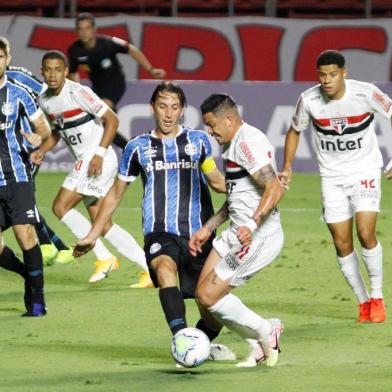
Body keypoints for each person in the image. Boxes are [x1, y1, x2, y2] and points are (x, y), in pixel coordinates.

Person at [73, 82, 236, 361]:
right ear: (153, 108)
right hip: (159, 232)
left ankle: (200, 344)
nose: (169, 114)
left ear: (182, 110)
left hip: (200, 235)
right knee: (164, 268)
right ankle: (182, 339)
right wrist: (92, 234)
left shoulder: (198, 141)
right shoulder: (138, 148)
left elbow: (217, 182)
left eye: (174, 107)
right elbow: (114, 195)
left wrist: (251, 185)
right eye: (163, 106)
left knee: (212, 312)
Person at [280, 49, 389, 323]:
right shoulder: (309, 100)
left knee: (365, 232)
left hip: (365, 171)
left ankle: (377, 297)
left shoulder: (365, 94)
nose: (327, 80)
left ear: (344, 73)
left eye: (332, 75)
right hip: (331, 178)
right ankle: (363, 301)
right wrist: (288, 166)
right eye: (322, 75)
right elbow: (294, 131)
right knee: (341, 243)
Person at [34, 50, 152, 287]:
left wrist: (98, 154)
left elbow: (112, 120)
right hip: (87, 160)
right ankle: (149, 269)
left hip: (97, 158)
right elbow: (58, 131)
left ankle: (104, 257)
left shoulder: (79, 92)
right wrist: (41, 151)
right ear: (42, 72)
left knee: (60, 205)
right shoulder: (45, 99)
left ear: (66, 71)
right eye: (48, 70)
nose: (53, 74)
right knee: (103, 223)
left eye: (58, 69)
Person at [188, 93, 285, 368]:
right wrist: (209, 228)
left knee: (209, 295)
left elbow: (274, 187)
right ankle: (256, 345)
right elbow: (236, 197)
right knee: (202, 297)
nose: (210, 131)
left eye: (212, 125)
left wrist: (253, 224)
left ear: (229, 119)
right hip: (236, 232)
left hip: (257, 237)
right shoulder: (232, 144)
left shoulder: (247, 143)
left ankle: (267, 330)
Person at [0, 37, 51, 317]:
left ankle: (37, 301)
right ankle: (27, 276)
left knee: (25, 234)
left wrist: (36, 137)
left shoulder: (18, 93)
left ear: (7, 59)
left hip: (17, 176)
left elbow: (44, 128)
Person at [6, 64, 74, 266]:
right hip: (6, 156)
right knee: (23, 205)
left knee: (21, 203)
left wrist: (52, 126)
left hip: (26, 151)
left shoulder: (17, 75)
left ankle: (49, 246)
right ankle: (57, 247)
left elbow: (48, 94)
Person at [68, 12, 166, 149]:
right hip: (96, 87)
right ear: (77, 31)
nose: (84, 32)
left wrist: (150, 69)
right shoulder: (74, 51)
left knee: (102, 117)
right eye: (81, 29)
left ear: (94, 29)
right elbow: (72, 73)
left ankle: (128, 148)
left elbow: (132, 49)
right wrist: (78, 92)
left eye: (87, 28)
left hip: (115, 84)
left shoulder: (108, 43)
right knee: (104, 123)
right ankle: (130, 148)